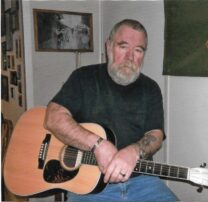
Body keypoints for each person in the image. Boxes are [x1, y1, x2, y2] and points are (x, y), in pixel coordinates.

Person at [44, 19, 178, 202]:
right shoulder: (83, 78)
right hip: (87, 185)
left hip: (142, 181)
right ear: (109, 47)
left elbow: (155, 134)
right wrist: (97, 144)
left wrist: (133, 151)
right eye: (123, 47)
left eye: (138, 50)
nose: (130, 57)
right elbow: (53, 117)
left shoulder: (151, 88)